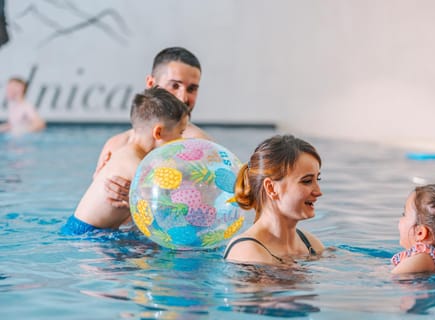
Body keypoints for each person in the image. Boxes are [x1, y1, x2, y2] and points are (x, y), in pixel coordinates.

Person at [61, 87, 189, 235]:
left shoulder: (134, 155)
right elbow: (164, 208)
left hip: (98, 232)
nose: (182, 141)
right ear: (158, 132)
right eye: (180, 133)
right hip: (85, 234)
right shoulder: (134, 162)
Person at [94, 46, 210, 178]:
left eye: (192, 88)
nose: (183, 97)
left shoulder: (199, 146)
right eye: (175, 86)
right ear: (151, 83)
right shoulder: (116, 145)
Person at [223, 134, 325, 265]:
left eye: (318, 179)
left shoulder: (310, 244)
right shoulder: (247, 251)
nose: (318, 192)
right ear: (271, 188)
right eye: (307, 181)